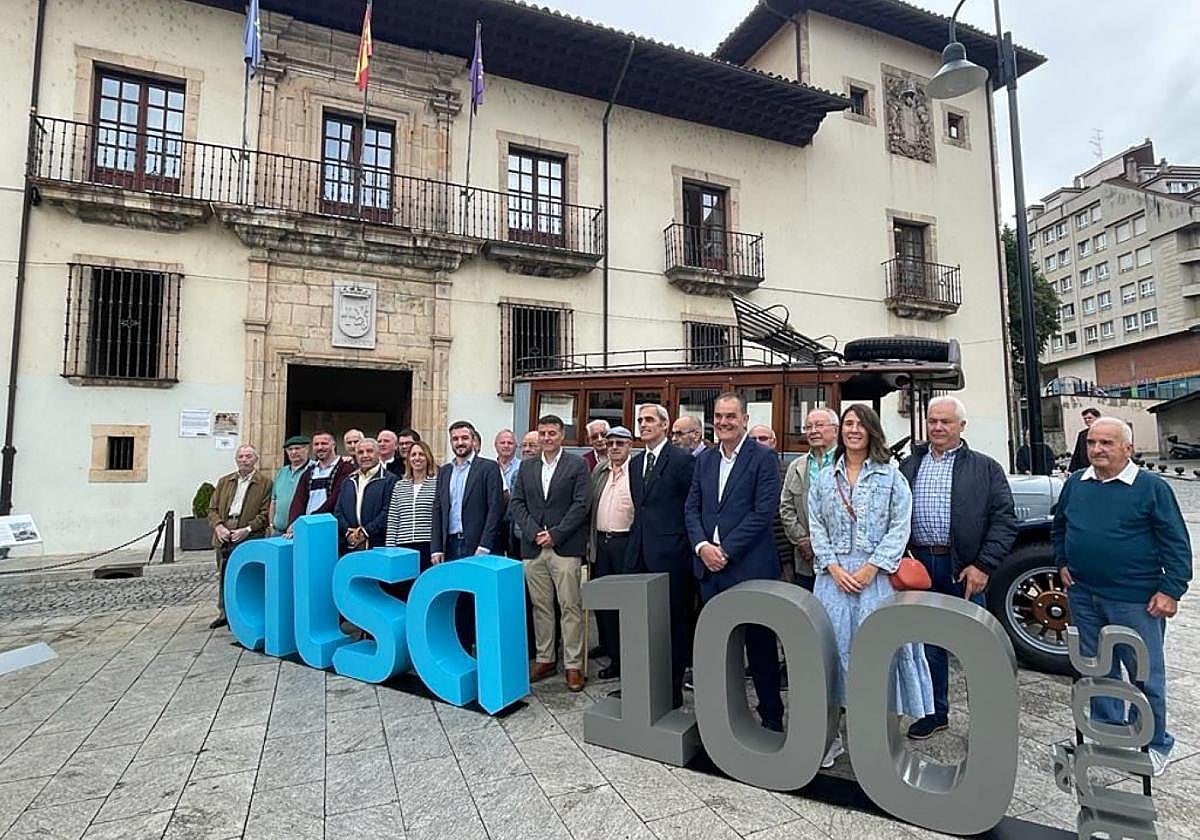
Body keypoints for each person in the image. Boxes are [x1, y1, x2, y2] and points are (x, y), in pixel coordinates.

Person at [1053, 417, 1191, 776]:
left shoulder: (1151, 488)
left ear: (1128, 448)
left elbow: (1176, 542)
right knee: (1097, 671)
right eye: (1092, 442)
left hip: (1135, 600)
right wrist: (1062, 562)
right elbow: (1060, 526)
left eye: (1106, 443)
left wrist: (1172, 589)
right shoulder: (1076, 484)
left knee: (1145, 674)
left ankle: (1155, 742)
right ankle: (1110, 734)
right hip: (1084, 595)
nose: (1097, 449)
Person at [809, 404, 933, 765]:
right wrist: (833, 566)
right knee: (830, 657)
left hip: (876, 581)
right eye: (848, 423)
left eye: (860, 424)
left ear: (872, 431)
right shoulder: (824, 478)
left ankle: (875, 740)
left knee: (878, 659)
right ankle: (830, 738)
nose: (853, 430)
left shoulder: (891, 477)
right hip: (833, 582)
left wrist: (871, 568)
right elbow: (816, 525)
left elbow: (900, 526)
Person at [899, 396, 1018, 740]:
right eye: (932, 420)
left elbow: (1004, 521)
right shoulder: (909, 465)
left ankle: (989, 720)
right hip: (919, 566)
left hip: (964, 568)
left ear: (962, 426)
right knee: (927, 644)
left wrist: (983, 566)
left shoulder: (986, 468)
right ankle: (935, 714)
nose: (937, 427)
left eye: (946, 422)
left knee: (976, 645)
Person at [685, 392, 784, 732]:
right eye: (718, 416)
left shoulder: (764, 458)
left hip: (749, 569)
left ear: (744, 419)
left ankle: (771, 717)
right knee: (719, 649)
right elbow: (692, 508)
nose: (724, 422)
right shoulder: (706, 460)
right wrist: (702, 546)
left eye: (731, 416)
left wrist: (724, 550)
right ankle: (721, 720)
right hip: (709, 571)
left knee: (760, 649)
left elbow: (763, 513)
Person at [509, 414, 592, 691]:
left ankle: (573, 665)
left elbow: (581, 505)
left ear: (562, 435)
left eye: (552, 433)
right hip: (533, 548)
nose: (547, 438)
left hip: (564, 548)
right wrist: (534, 532)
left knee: (570, 606)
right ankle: (545, 658)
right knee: (541, 606)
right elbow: (517, 503)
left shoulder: (577, 465)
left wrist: (555, 534)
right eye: (542, 433)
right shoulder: (527, 466)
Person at [627, 403, 696, 708]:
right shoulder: (635, 463)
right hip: (640, 553)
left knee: (673, 623)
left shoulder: (681, 460)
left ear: (665, 425)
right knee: (643, 623)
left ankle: (672, 690)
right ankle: (645, 685)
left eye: (649, 420)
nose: (643, 425)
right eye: (640, 420)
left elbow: (691, 507)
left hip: (673, 557)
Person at [431, 421, 504, 647]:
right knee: (458, 599)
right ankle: (462, 648)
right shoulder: (445, 471)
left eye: (464, 438)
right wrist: (436, 547)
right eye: (455, 439)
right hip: (451, 545)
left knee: (481, 599)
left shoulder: (488, 468)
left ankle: (484, 649)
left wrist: (485, 545)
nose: (460, 442)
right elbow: (438, 510)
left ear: (473, 440)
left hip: (478, 546)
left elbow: (495, 508)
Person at [206, 444, 271, 629]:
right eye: (241, 456)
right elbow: (212, 509)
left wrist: (247, 529)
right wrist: (218, 526)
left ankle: (245, 614)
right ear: (236, 459)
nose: (244, 460)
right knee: (224, 574)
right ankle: (224, 613)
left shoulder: (265, 483)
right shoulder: (224, 481)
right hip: (225, 530)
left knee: (247, 576)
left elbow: (265, 513)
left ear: (256, 459)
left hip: (249, 534)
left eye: (248, 456)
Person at [589, 425, 635, 680]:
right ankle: (610, 649)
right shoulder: (599, 470)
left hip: (625, 543)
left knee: (625, 603)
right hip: (601, 543)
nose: (614, 448)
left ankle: (625, 657)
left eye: (620, 443)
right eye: (610, 443)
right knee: (604, 601)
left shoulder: (636, 471)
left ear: (630, 445)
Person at [780, 408, 839, 591]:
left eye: (819, 425)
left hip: (840, 560)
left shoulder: (847, 463)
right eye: (808, 427)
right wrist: (802, 539)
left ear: (835, 430)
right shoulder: (796, 466)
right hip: (806, 557)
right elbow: (786, 507)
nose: (813, 431)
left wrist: (821, 544)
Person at [334, 438, 397, 554]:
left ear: (378, 453)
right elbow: (338, 511)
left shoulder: (390, 480)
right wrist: (348, 533)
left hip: (378, 545)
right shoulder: (348, 480)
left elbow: (388, 512)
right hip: (349, 546)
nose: (365, 455)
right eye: (360, 452)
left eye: (369, 451)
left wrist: (365, 532)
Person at [384, 439, 438, 570]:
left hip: (427, 545)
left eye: (421, 454)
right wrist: (390, 549)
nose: (417, 458)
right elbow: (393, 520)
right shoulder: (399, 486)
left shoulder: (437, 484)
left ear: (428, 458)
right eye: (413, 455)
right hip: (403, 546)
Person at [287, 430, 356, 530]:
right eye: (316, 444)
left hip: (332, 526)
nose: (320, 447)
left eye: (324, 443)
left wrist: (314, 517)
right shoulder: (309, 472)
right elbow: (298, 500)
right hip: (308, 526)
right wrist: (294, 522)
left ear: (333, 445)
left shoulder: (345, 468)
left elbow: (336, 498)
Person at [750, 425, 792, 582]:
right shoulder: (740, 471)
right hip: (749, 552)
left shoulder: (788, 470)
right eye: (752, 439)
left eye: (762, 438)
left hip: (782, 553)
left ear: (773, 442)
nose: (757, 442)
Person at [270, 435, 311, 535]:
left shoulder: (314, 469)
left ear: (307, 449)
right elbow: (274, 501)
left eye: (297, 448)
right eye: (290, 449)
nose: (293, 452)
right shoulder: (281, 472)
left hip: (301, 531)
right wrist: (271, 525)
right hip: (277, 531)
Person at [1067, 407, 1101, 473]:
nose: (1087, 420)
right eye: (1085, 419)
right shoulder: (1082, 434)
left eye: (1089, 418)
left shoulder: (1105, 432)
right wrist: (1071, 470)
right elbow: (1077, 453)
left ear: (1097, 418)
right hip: (1085, 468)